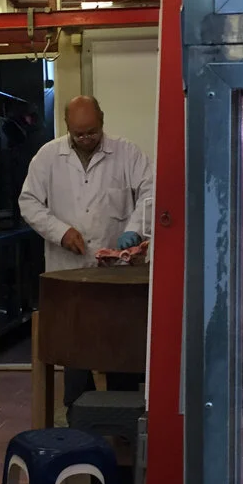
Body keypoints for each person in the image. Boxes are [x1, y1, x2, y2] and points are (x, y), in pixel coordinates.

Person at [19, 95, 154, 411]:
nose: (86, 139)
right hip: (69, 271)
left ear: (102, 121)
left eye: (91, 132)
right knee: (75, 347)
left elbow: (151, 191)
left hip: (119, 274)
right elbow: (28, 202)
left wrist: (135, 228)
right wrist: (60, 232)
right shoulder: (48, 157)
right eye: (79, 134)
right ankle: (80, 413)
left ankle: (124, 415)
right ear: (68, 127)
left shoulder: (127, 153)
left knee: (121, 346)